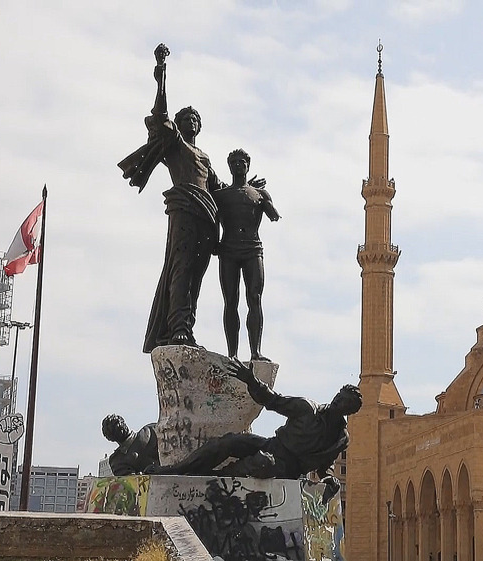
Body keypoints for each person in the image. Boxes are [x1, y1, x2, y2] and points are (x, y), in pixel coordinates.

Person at [118, 43, 223, 352]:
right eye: (187, 117)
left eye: (196, 118)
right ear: (179, 125)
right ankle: (176, 327)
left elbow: (221, 189)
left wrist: (250, 192)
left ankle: (186, 328)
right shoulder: (177, 145)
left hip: (207, 219)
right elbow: (160, 113)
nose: (192, 121)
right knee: (181, 268)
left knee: (196, 277)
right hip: (185, 212)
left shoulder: (204, 158)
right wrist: (161, 75)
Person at [153, 359, 361, 500]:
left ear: (348, 411)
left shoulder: (340, 439)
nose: (337, 402)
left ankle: (211, 482)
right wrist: (251, 380)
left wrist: (329, 477)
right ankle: (175, 471)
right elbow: (272, 400)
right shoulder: (307, 408)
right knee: (231, 442)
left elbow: (325, 466)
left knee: (261, 463)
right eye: (338, 397)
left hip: (287, 469)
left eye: (343, 402)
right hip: (272, 444)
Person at [214, 149, 280, 361]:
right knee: (230, 300)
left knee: (255, 298)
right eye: (234, 162)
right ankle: (232, 353)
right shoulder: (221, 196)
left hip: (253, 248)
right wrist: (214, 244)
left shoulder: (259, 194)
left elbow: (274, 216)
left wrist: (265, 200)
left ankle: (255, 352)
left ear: (248, 165)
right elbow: (213, 222)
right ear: (230, 166)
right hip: (229, 249)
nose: (239, 165)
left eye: (242, 162)